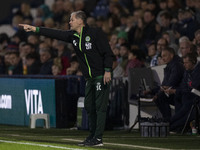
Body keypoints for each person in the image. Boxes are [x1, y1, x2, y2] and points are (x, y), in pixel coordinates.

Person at [19, 10, 114, 146]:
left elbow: (108, 53)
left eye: (72, 20)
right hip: (89, 77)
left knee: (100, 107)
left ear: (81, 21)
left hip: (101, 75)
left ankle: (98, 138)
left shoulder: (95, 33)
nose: (69, 22)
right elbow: (55, 33)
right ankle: (92, 136)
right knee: (89, 106)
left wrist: (107, 70)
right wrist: (35, 29)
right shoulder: (73, 36)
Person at [165, 53, 200, 132]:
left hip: (196, 98)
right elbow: (183, 86)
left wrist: (176, 91)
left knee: (185, 113)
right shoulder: (187, 71)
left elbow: (194, 87)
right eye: (183, 63)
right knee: (179, 99)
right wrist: (178, 91)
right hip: (189, 97)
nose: (184, 65)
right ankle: (168, 125)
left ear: (193, 61)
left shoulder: (198, 71)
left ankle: (168, 125)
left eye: (186, 63)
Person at [153, 47, 184, 122]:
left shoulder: (176, 65)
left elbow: (171, 83)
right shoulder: (169, 66)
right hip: (173, 92)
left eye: (164, 56)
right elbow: (165, 84)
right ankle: (167, 120)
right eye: (162, 56)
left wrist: (159, 92)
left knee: (160, 96)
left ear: (171, 55)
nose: (163, 58)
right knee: (159, 96)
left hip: (179, 93)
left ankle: (168, 121)